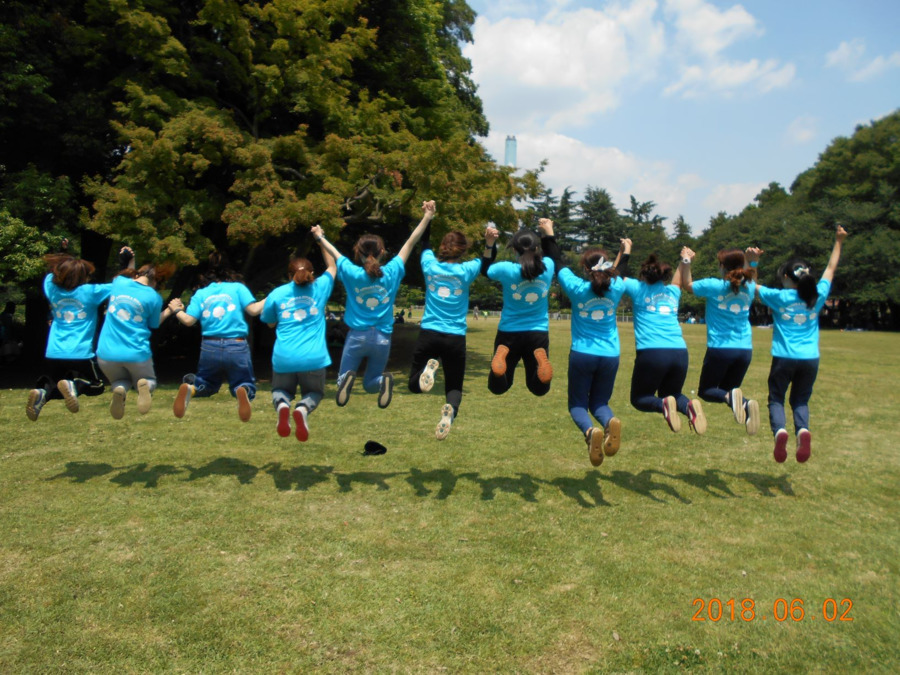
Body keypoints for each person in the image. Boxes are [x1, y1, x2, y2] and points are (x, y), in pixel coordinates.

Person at [314, 200, 436, 408]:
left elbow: (334, 253)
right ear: (382, 252)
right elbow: (410, 243)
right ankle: (382, 382)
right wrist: (427, 217)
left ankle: (347, 381)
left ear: (358, 252)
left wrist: (320, 237)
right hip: (382, 338)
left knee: (343, 379)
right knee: (371, 383)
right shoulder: (391, 272)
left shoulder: (352, 273)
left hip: (357, 336)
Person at [756, 226, 847, 463]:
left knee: (776, 398)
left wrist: (752, 263)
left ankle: (780, 431)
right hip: (810, 358)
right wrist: (838, 241)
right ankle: (802, 431)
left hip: (784, 356)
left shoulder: (780, 297)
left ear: (786, 278)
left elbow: (751, 287)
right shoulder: (816, 296)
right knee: (800, 400)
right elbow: (830, 269)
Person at [407, 221, 499, 439]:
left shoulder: (429, 265)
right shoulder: (466, 270)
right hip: (455, 336)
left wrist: (428, 218)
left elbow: (424, 243)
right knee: (454, 386)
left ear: (442, 248)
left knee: (413, 384)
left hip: (429, 331)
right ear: (463, 250)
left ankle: (427, 372)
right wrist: (489, 243)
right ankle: (450, 411)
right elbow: (487, 263)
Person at [558, 240, 630, 466]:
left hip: (583, 353)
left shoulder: (578, 289)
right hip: (610, 354)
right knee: (599, 402)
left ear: (586, 270)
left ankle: (590, 433)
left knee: (578, 405)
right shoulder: (617, 287)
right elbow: (620, 271)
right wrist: (625, 251)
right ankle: (609, 423)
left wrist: (548, 234)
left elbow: (558, 263)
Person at [679, 246, 764, 435]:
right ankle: (746, 405)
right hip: (744, 350)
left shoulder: (714, 286)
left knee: (707, 391)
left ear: (722, 266)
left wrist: (686, 261)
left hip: (720, 348)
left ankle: (740, 402)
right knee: (728, 392)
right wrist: (752, 262)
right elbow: (752, 277)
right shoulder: (748, 287)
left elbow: (687, 285)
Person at [260, 231, 336, 441]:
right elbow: (332, 266)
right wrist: (320, 238)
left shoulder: (277, 294)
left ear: (288, 275)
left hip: (284, 356)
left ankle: (283, 405)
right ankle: (302, 409)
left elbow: (269, 322)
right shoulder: (320, 287)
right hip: (313, 357)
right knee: (315, 393)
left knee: (281, 390)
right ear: (312, 273)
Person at [171, 253, 265, 422]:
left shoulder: (201, 293)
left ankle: (191, 388)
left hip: (209, 345)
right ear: (229, 270)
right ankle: (242, 391)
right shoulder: (238, 288)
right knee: (244, 382)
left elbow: (188, 321)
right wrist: (274, 297)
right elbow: (254, 310)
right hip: (236, 345)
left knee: (206, 384)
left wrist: (176, 310)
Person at [622, 247, 706, 433]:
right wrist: (685, 260)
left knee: (640, 399)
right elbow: (678, 279)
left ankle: (664, 407)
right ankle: (688, 407)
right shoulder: (672, 292)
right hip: (679, 352)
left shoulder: (638, 288)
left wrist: (625, 250)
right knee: (673, 394)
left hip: (652, 352)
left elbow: (617, 274)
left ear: (643, 275)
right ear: (663, 277)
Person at [25, 252, 116, 420]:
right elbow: (121, 286)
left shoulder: (51, 289)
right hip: (80, 353)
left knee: (53, 386)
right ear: (83, 277)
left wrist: (62, 254)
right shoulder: (90, 291)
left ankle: (41, 393)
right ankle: (75, 384)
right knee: (97, 386)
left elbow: (51, 274)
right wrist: (127, 263)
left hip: (54, 352)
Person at [96, 251, 181, 419]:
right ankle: (144, 385)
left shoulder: (119, 283)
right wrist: (170, 310)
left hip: (106, 353)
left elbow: (127, 273)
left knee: (119, 381)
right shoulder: (153, 297)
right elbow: (154, 323)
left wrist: (131, 260)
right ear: (155, 281)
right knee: (149, 380)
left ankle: (119, 390)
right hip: (136, 353)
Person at [485, 218, 558, 397]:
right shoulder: (547, 267)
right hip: (537, 333)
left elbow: (485, 269)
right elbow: (553, 254)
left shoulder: (506, 269)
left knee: (499, 387)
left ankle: (501, 356)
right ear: (536, 248)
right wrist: (548, 231)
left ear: (515, 250)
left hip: (509, 333)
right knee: (539, 389)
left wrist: (489, 244)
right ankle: (540, 360)